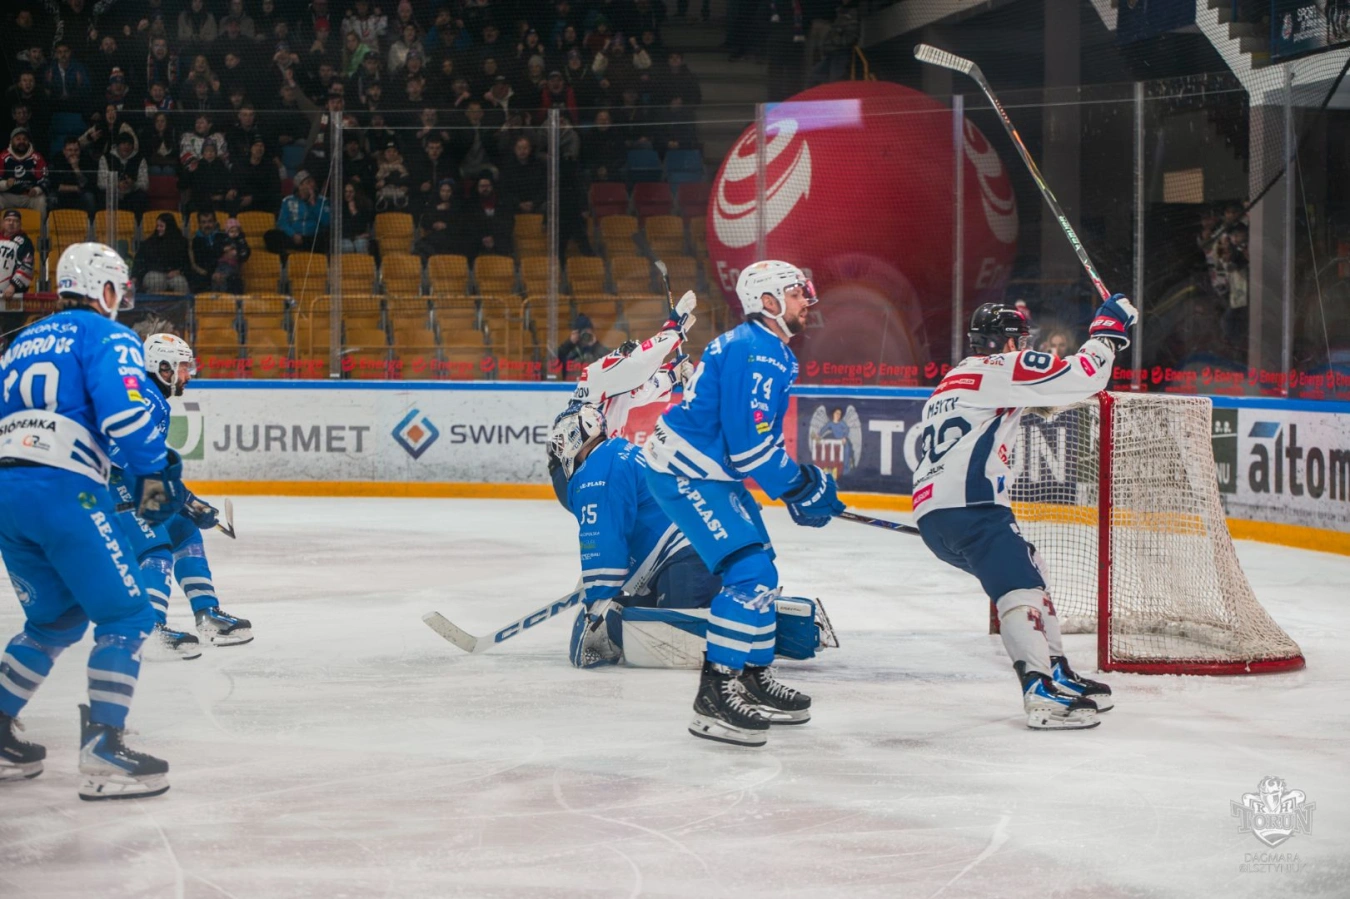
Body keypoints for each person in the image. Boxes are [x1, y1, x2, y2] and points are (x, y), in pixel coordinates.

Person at [0, 242, 186, 797]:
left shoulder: (18, 342)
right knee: (126, 615)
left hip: (7, 492)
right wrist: (155, 474)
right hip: (64, 491)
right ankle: (104, 748)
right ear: (103, 289)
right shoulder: (108, 336)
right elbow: (126, 416)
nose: (121, 299)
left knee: (54, 621)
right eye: (119, 289)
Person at [642, 261, 844, 747]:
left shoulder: (766, 348)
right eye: (796, 293)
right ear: (768, 302)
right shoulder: (758, 351)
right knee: (749, 575)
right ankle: (715, 694)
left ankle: (752, 678)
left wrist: (797, 485)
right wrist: (801, 485)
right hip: (685, 470)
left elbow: (753, 444)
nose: (806, 300)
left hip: (709, 470)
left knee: (762, 570)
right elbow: (749, 449)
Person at [911, 298, 1136, 730]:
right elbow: (1084, 376)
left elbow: (1033, 400)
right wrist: (1107, 332)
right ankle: (1039, 690)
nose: (1024, 346)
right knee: (1019, 588)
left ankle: (1056, 670)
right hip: (973, 506)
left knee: (1031, 566)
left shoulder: (952, 381)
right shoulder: (1003, 367)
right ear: (1007, 341)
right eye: (1020, 339)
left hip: (935, 514)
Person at [106, 332, 253, 659]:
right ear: (163, 368)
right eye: (183, 367)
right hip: (110, 484)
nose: (189, 374)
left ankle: (207, 614)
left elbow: (149, 461)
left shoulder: (152, 398)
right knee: (156, 546)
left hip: (129, 482)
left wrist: (185, 501)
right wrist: (182, 499)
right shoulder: (145, 397)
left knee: (183, 529)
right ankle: (147, 630)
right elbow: (120, 453)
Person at [265, 170, 331, 255]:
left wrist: (314, 205)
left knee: (326, 238)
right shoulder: (288, 201)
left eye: (312, 182)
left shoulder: (322, 201)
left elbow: (326, 222)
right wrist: (293, 234)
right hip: (293, 237)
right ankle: (285, 258)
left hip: (312, 239)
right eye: (308, 182)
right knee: (270, 235)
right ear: (300, 186)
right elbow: (282, 223)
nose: (312, 185)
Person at [133, 213, 191, 294]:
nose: (158, 229)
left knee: (181, 284)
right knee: (155, 282)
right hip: (155, 274)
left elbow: (186, 263)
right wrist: (134, 276)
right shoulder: (149, 243)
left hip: (175, 275)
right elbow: (139, 260)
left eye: (161, 226)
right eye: (157, 226)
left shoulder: (181, 242)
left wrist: (179, 271)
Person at [0, 127, 48, 217]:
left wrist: (36, 190)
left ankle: (41, 226)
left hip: (29, 197)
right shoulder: (2, 157)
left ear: (29, 142)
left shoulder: (37, 158)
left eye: (25, 139)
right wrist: (5, 184)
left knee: (41, 199)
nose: (22, 142)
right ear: (11, 141)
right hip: (8, 195)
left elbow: (45, 180)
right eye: (18, 139)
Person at [0, 209, 36, 306]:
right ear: (3, 223)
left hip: (12, 296)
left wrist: (13, 286)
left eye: (15, 221)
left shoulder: (25, 243)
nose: (11, 223)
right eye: (8, 220)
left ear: (20, 224)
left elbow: (27, 266)